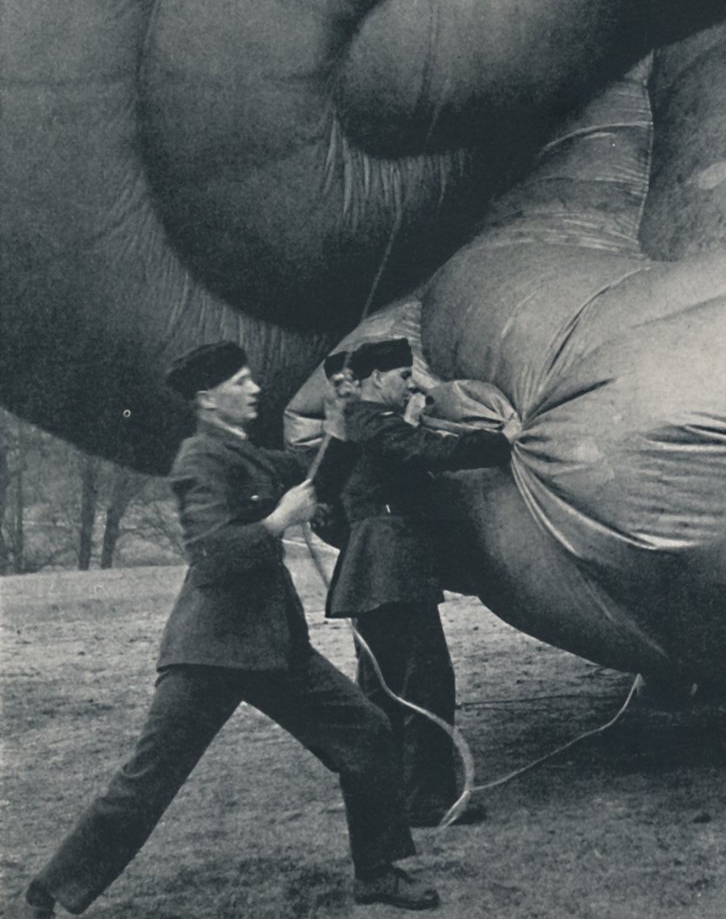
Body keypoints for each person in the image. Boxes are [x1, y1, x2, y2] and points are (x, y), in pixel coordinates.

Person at [21, 342, 439, 917]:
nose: (254, 390)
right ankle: (51, 891)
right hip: (212, 652)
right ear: (207, 400)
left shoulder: (250, 454)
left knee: (366, 730)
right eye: (241, 383)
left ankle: (377, 873)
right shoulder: (199, 459)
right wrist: (275, 522)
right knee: (149, 778)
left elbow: (319, 479)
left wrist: (341, 421)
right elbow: (212, 552)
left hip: (276, 647)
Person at [325, 338, 511, 827]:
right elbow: (426, 450)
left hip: (376, 570)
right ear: (374, 380)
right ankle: (427, 800)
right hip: (392, 569)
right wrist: (501, 441)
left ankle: (384, 797)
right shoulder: (370, 421)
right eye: (402, 375)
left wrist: (407, 418)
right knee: (424, 683)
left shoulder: (368, 426)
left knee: (383, 692)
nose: (411, 382)